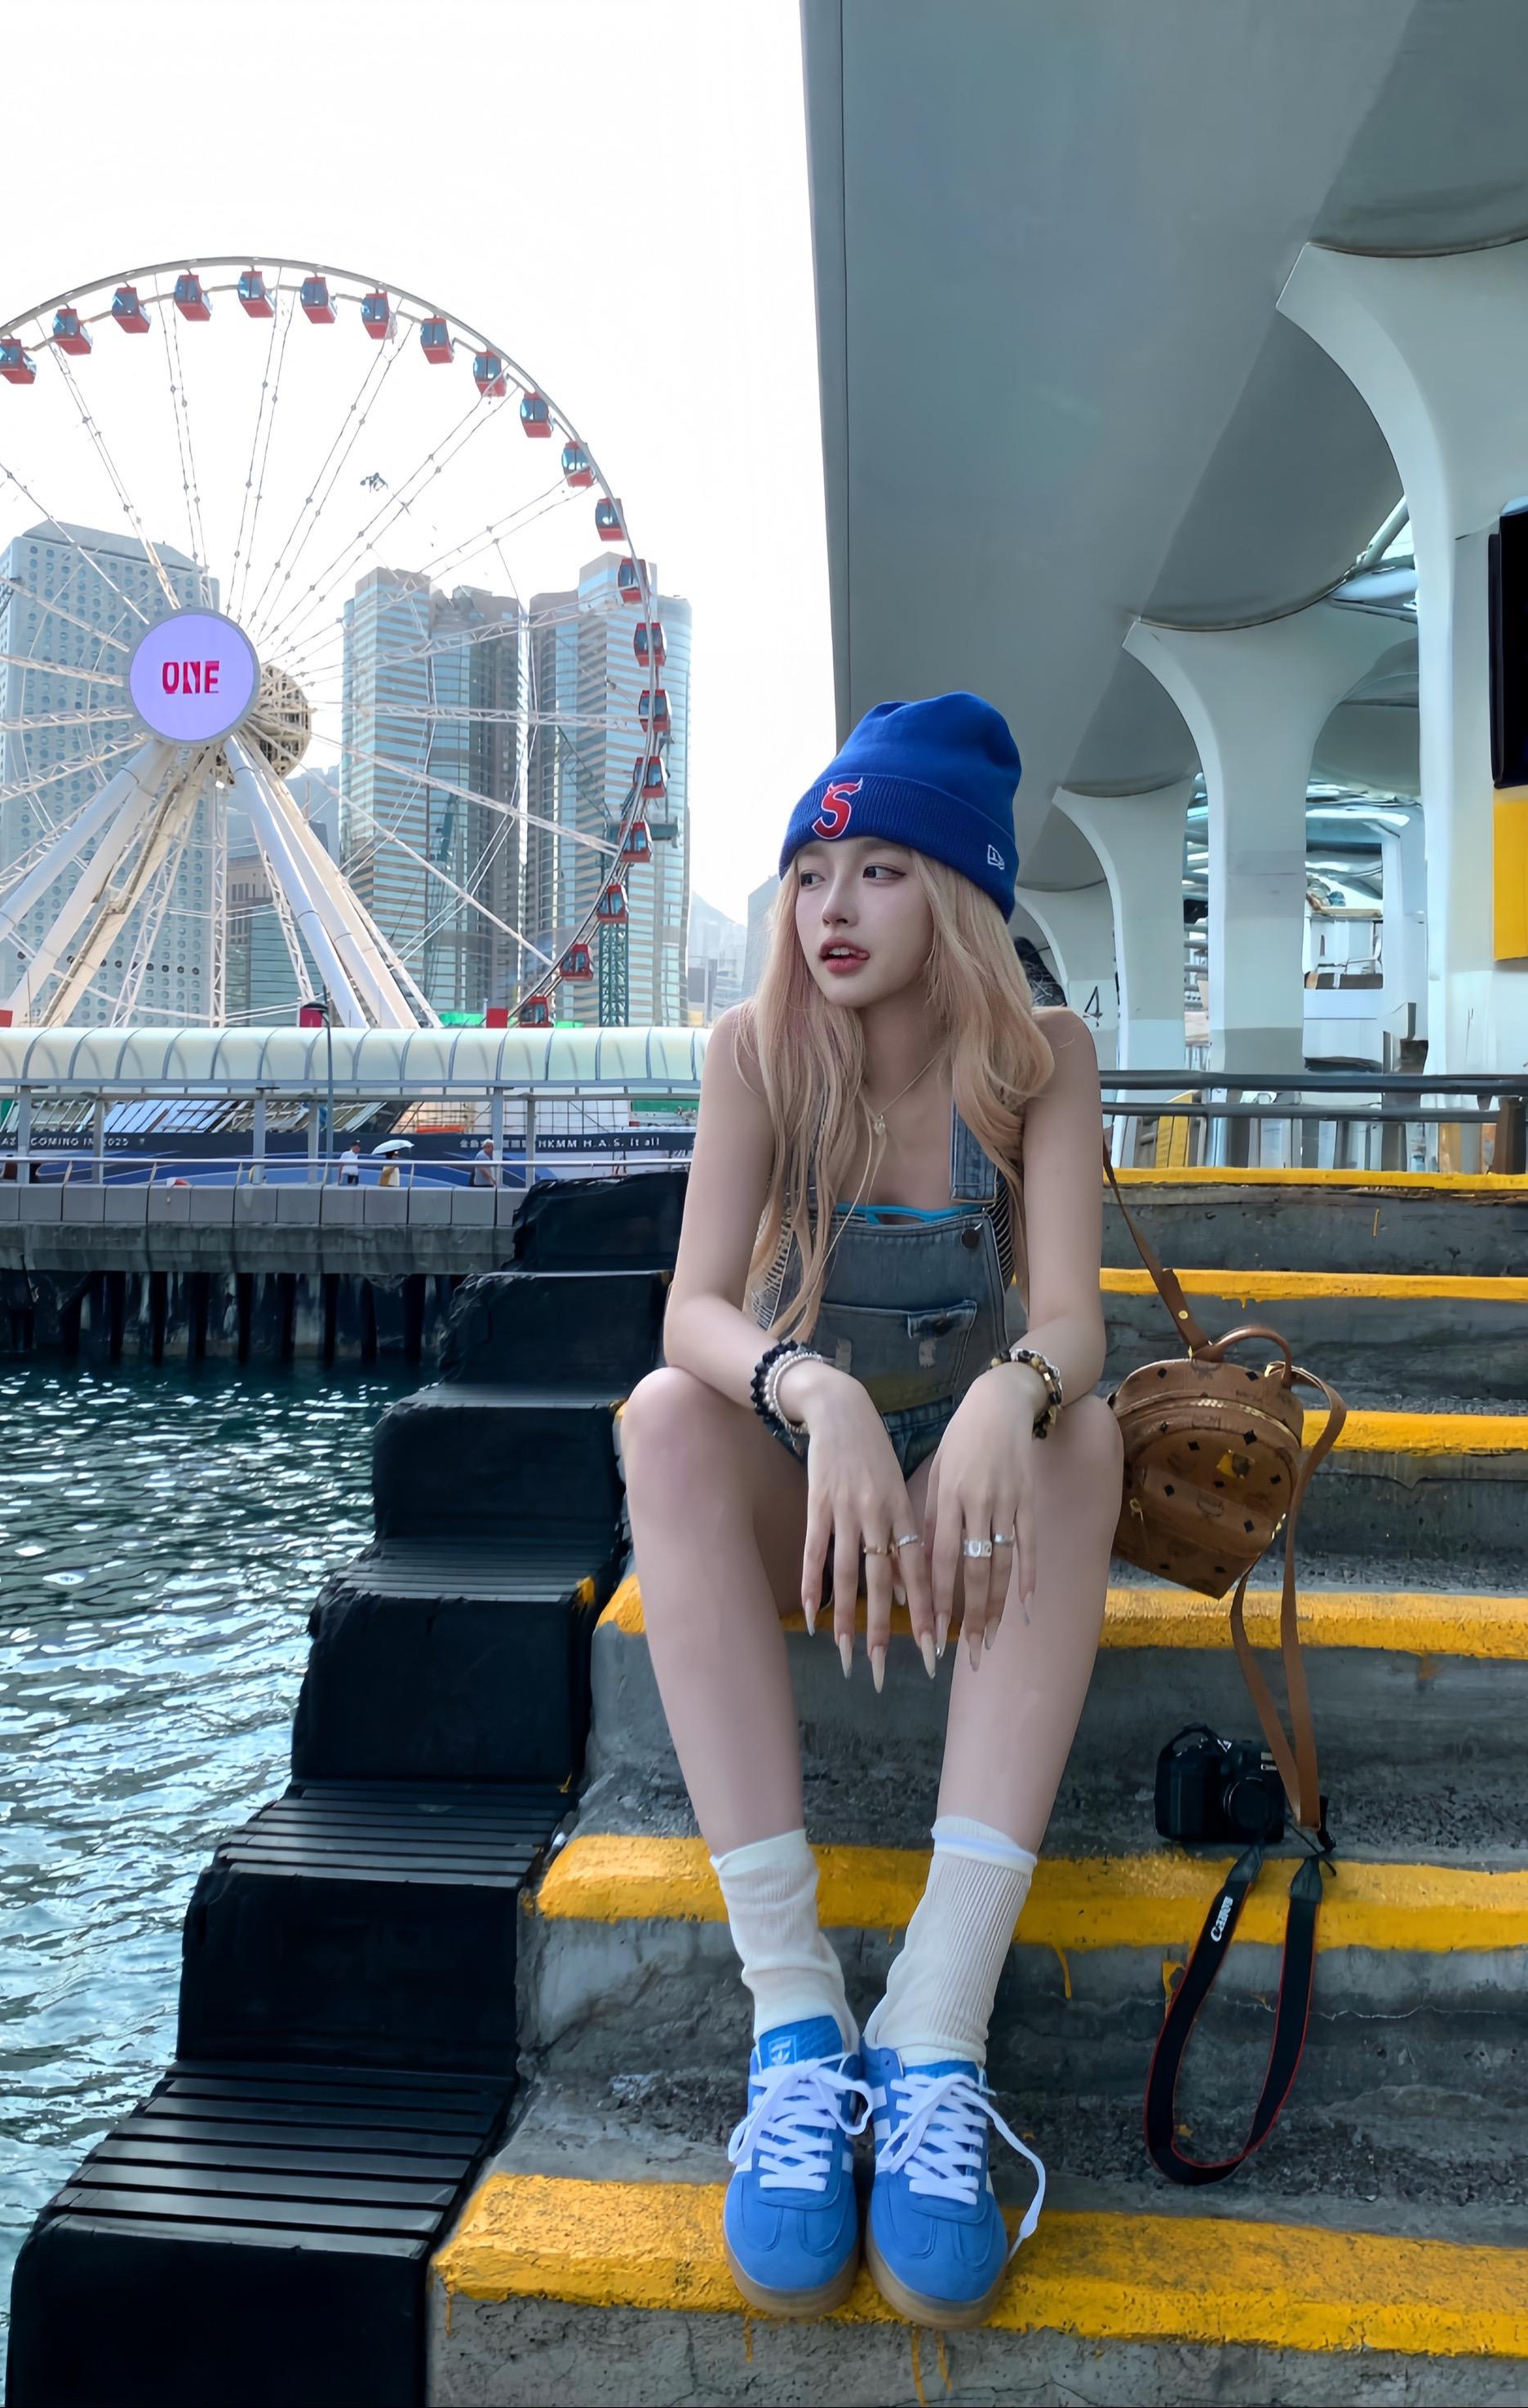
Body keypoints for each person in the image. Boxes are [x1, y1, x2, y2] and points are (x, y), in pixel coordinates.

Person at [620, 694, 1120, 2331]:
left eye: (881, 870)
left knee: (1082, 1437)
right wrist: (812, 1392)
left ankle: (936, 2025)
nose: (832, 909)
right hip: (812, 1499)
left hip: (971, 1512)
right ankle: (796, 2019)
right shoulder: (756, 1052)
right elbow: (693, 1311)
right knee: (664, 1424)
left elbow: (1074, 1322)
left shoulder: (1042, 1063)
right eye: (811, 873)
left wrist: (1002, 1395)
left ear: (959, 895)